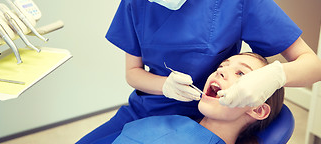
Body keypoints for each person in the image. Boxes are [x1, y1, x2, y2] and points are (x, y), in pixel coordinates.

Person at [77, 0, 321, 143]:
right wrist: (164, 86)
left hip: (206, 119)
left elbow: (315, 67)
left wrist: (272, 76)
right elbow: (133, 73)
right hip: (144, 111)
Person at [112, 53, 285, 144]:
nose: (220, 71)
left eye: (241, 73)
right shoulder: (171, 121)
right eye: (222, 66)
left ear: (258, 109)